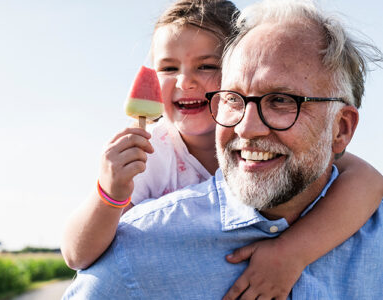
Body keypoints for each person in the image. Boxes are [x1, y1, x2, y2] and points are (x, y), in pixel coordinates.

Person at [62, 0, 383, 299]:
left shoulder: (311, 156)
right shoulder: (151, 154)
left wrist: (293, 250)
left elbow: (366, 181)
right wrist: (109, 192)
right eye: (168, 68)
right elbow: (79, 254)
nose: (185, 82)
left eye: (281, 100)